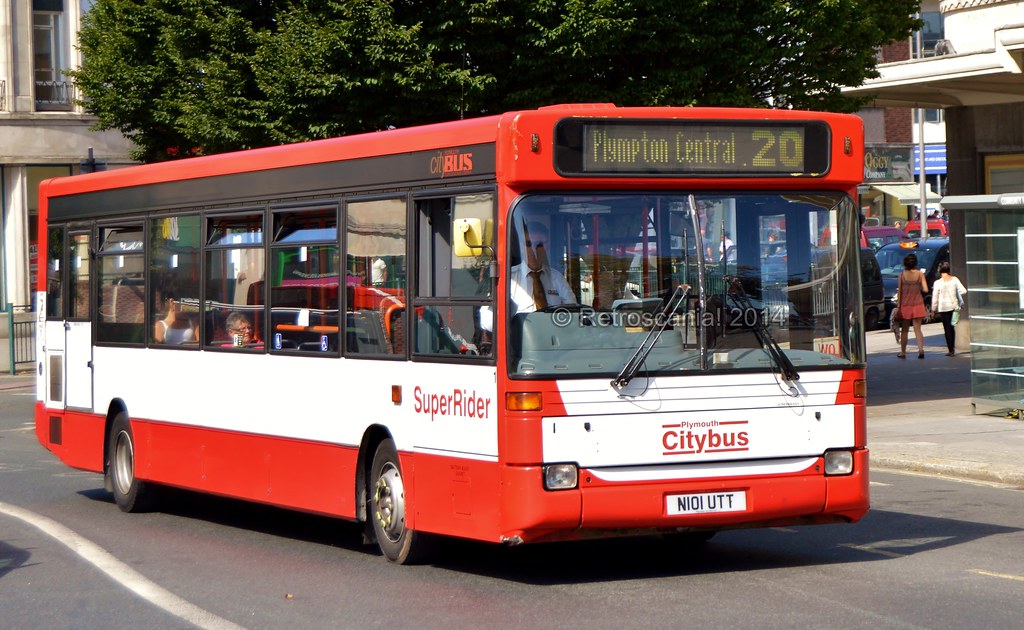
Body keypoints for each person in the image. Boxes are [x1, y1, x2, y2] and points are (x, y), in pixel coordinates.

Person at [510, 222, 575, 313]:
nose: (533, 249)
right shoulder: (509, 279)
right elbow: (488, 321)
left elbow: (572, 312)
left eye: (538, 245)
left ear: (547, 247)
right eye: (528, 244)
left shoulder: (557, 278)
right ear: (521, 247)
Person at [896, 253, 928, 359]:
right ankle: (921, 350)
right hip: (918, 304)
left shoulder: (902, 275)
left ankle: (903, 352)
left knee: (904, 330)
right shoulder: (920, 274)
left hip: (905, 305)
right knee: (917, 329)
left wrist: (898, 307)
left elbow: (900, 292)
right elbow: (926, 289)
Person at [931, 261, 967, 356]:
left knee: (946, 329)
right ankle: (953, 348)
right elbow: (963, 290)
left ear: (939, 270)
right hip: (954, 307)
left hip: (943, 308)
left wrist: (933, 310)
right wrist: (956, 294)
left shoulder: (937, 283)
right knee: (952, 327)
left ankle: (950, 350)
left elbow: (935, 298)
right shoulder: (954, 279)